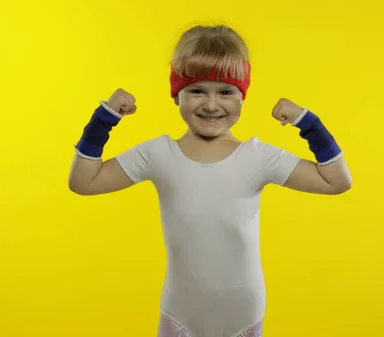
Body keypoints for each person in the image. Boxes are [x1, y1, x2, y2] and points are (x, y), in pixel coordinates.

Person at [68, 24, 352, 337]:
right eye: (197, 90)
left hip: (243, 319)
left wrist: (308, 124)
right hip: (181, 317)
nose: (212, 104)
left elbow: (336, 181)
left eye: (226, 91)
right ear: (177, 95)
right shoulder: (158, 154)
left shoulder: (257, 157)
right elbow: (84, 182)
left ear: (243, 97)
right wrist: (103, 119)